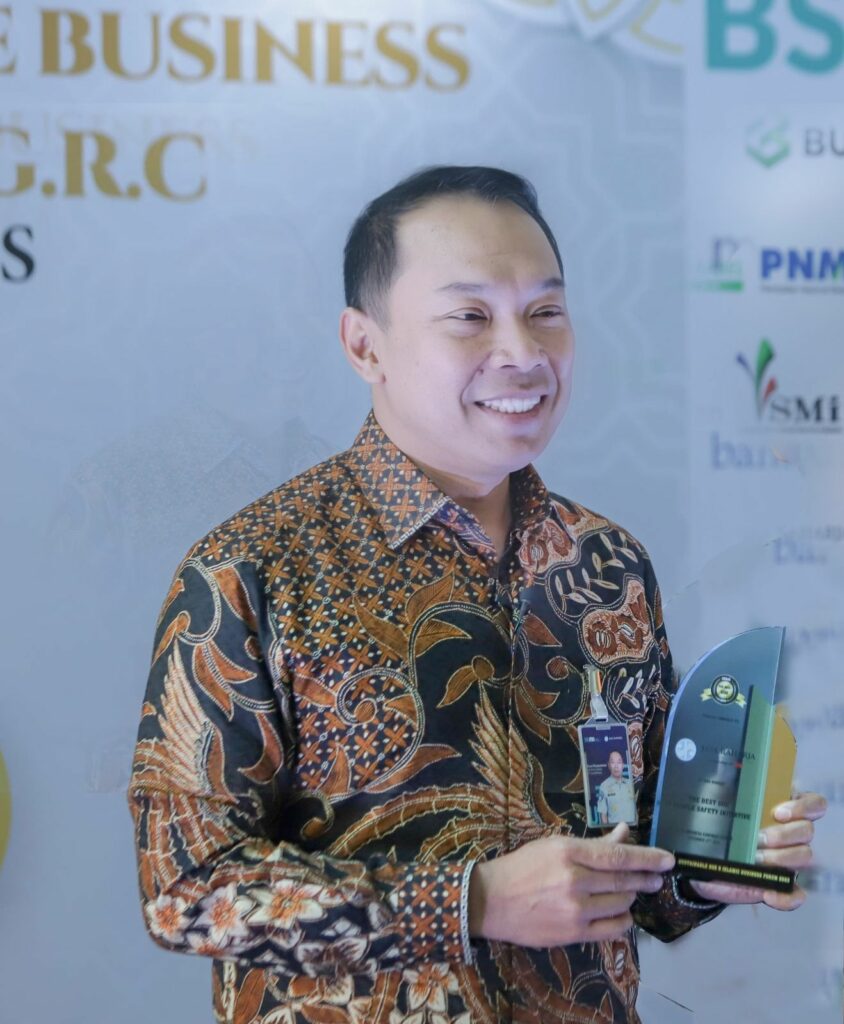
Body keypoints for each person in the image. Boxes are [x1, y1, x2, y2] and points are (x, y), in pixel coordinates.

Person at [128, 166, 826, 1023]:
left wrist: (708, 868)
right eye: (470, 317)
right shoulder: (251, 571)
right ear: (365, 345)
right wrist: (471, 904)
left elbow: (636, 862)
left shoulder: (609, 565)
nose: (523, 353)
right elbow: (188, 889)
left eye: (546, 311)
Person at [597, 751, 637, 826]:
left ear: (623, 765)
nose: (616, 766)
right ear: (609, 765)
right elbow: (603, 815)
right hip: (615, 830)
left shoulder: (631, 784)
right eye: (612, 762)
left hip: (633, 830)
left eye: (619, 762)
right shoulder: (604, 786)